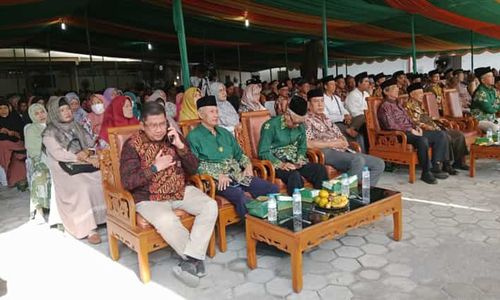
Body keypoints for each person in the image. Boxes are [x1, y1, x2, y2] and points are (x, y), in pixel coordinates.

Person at [120, 101, 217, 287]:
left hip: (179, 190)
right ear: (143, 125)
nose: (159, 130)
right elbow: (128, 182)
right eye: (153, 125)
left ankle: (191, 260)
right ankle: (195, 259)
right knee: (167, 220)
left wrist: (181, 146)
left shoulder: (173, 137)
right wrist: (155, 167)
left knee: (210, 205)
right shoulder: (132, 145)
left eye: (162, 124)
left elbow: (194, 168)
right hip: (149, 198)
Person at [187, 96, 278, 217]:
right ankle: (254, 227)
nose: (216, 115)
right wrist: (217, 175)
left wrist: (248, 165)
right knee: (239, 195)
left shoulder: (224, 133)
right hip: (216, 181)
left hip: (237, 175)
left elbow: (239, 154)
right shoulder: (193, 137)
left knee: (271, 188)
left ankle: (273, 222)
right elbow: (195, 165)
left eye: (217, 111)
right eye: (212, 112)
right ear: (200, 114)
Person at [42, 96, 106, 243]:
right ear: (54, 113)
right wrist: (80, 157)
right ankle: (89, 229)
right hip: (66, 169)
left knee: (103, 178)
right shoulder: (49, 132)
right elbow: (58, 154)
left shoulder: (77, 126)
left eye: (68, 109)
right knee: (83, 186)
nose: (67, 113)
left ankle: (105, 217)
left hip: (85, 165)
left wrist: (89, 153)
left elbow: (90, 144)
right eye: (62, 110)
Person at [305, 89, 385, 186]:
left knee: (379, 163)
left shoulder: (326, 118)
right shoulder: (306, 120)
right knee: (358, 160)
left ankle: (364, 192)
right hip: (325, 151)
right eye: (316, 101)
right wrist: (333, 143)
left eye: (322, 101)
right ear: (309, 104)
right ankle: (343, 193)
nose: (320, 104)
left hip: (341, 150)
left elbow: (340, 135)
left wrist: (343, 141)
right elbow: (309, 143)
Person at [378, 78, 450, 184]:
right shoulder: (385, 107)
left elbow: (409, 119)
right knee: (422, 140)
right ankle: (426, 172)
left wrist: (416, 127)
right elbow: (390, 125)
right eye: (394, 88)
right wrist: (411, 130)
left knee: (441, 135)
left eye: (397, 88)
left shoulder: (398, 104)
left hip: (412, 132)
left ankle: (436, 166)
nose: (398, 90)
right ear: (386, 91)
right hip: (400, 135)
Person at [258, 96, 328, 195]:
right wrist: (281, 164)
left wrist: (300, 158)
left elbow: (302, 147)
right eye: (295, 123)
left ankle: (322, 199)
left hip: (294, 162)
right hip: (277, 163)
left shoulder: (300, 125)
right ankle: (298, 206)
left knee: (319, 169)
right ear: (287, 114)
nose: (297, 126)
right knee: (294, 176)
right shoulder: (270, 126)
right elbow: (263, 152)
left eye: (300, 123)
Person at [404, 83, 468, 172]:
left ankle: (459, 162)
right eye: (419, 93)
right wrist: (425, 126)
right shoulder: (407, 106)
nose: (422, 95)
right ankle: (446, 164)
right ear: (411, 94)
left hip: (434, 126)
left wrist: (438, 119)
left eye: (422, 93)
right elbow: (413, 122)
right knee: (446, 136)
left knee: (458, 135)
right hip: (425, 130)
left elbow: (426, 117)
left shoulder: (419, 104)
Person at [0, 99, 27, 190]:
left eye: (5, 108)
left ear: (9, 108)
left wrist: (13, 133)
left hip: (18, 145)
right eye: (0, 109)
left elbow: (22, 135)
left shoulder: (15, 118)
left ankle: (14, 179)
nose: (3, 111)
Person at [470, 67, 500, 132]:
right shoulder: (480, 92)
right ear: (483, 80)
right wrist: (495, 105)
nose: (493, 78)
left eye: (493, 76)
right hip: (479, 120)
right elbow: (490, 109)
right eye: (490, 76)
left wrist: (494, 105)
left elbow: (497, 104)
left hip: (491, 119)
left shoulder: (493, 90)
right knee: (495, 128)